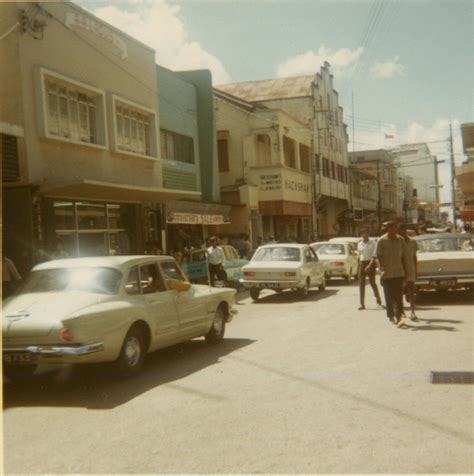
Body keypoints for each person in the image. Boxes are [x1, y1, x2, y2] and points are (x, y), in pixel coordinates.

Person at [376, 221, 408, 325]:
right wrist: (382, 270)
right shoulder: (381, 240)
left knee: (398, 296)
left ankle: (398, 316)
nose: (395, 230)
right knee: (388, 296)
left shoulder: (401, 240)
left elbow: (404, 257)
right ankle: (390, 315)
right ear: (388, 229)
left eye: (396, 228)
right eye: (393, 228)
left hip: (398, 272)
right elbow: (379, 257)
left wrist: (406, 271)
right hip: (387, 273)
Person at [357, 229, 382, 310]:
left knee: (372, 282)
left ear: (368, 234)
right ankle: (362, 304)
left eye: (366, 233)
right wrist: (359, 265)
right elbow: (360, 255)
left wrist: (369, 265)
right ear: (361, 235)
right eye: (363, 233)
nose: (365, 235)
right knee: (361, 284)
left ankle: (378, 299)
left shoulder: (373, 243)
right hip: (362, 263)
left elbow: (374, 256)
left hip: (370, 263)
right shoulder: (360, 244)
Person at [399, 224, 419, 321]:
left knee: (411, 291)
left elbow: (414, 257)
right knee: (399, 292)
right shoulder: (396, 242)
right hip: (399, 270)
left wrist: (416, 270)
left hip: (410, 269)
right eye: (399, 230)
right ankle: (401, 311)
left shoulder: (413, 242)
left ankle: (412, 312)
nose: (401, 232)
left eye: (403, 230)